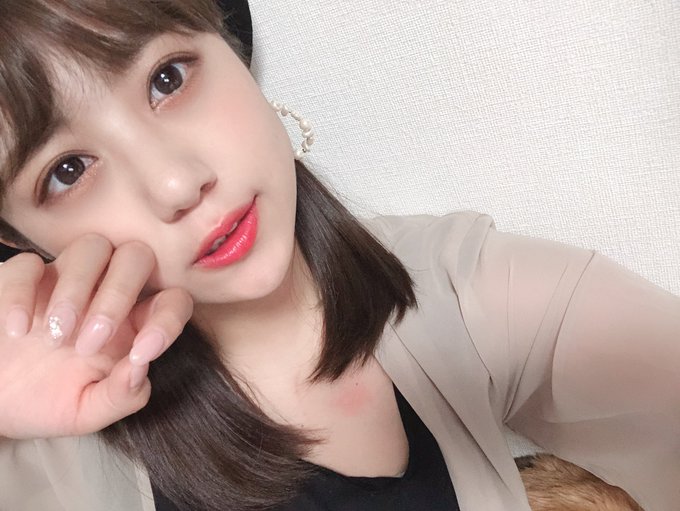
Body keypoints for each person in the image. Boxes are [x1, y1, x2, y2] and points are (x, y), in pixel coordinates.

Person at [0, 1, 677, 510]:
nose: (177, 183)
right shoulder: (37, 440)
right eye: (67, 171)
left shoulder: (460, 295)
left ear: (229, 45)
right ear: (24, 241)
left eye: (167, 78)